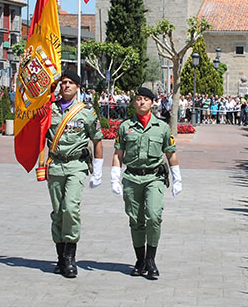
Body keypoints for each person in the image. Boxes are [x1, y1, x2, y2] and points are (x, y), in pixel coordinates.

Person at [110, 87, 182, 280]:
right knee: (136, 220)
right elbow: (118, 154)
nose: (142, 102)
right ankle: (140, 260)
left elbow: (170, 153)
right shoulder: (125, 127)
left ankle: (151, 260)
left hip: (154, 178)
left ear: (152, 103)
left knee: (154, 216)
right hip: (132, 178)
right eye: (138, 99)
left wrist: (177, 178)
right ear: (134, 103)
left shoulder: (162, 127)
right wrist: (114, 176)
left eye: (146, 99)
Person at [37, 70, 103, 279]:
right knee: (58, 211)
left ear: (78, 88)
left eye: (70, 83)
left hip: (76, 165)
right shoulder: (49, 110)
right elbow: (38, 134)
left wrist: (99, 170)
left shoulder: (86, 112)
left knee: (70, 208)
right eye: (63, 83)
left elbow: (97, 140)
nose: (65, 86)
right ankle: (60, 257)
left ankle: (70, 258)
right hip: (55, 164)